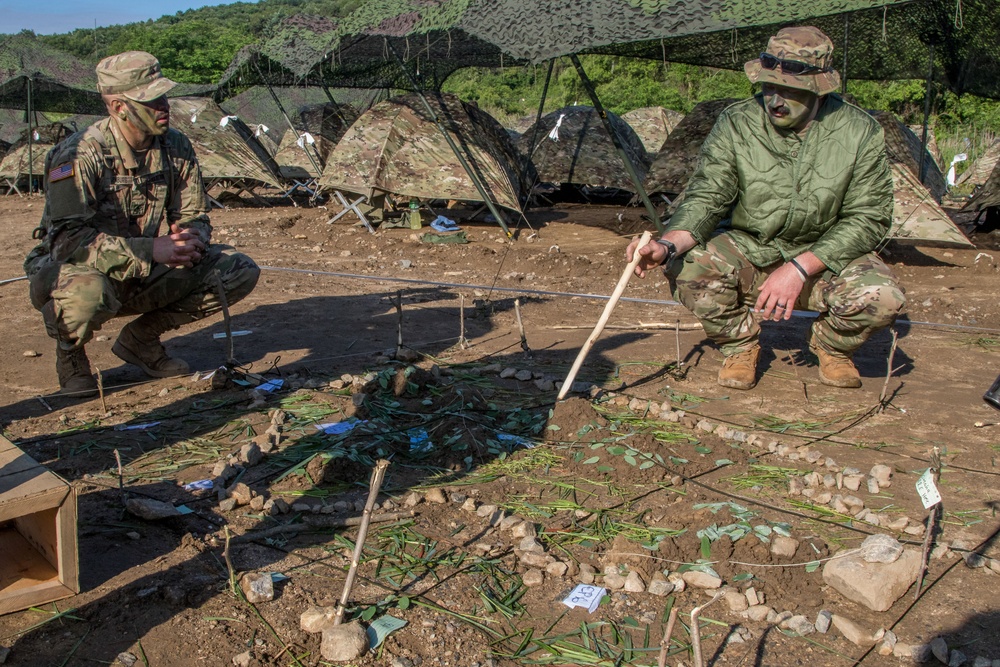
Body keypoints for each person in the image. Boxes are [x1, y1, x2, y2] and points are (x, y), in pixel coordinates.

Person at [627, 26, 905, 390]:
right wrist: (665, 246)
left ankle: (831, 346)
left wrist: (800, 268)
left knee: (881, 297)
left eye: (790, 91)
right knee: (689, 265)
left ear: (819, 89)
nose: (776, 100)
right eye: (769, 87)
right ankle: (740, 345)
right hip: (750, 247)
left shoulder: (858, 132)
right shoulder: (737, 123)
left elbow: (870, 217)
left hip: (824, 255)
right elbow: (708, 196)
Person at [24, 51, 260, 396]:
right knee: (87, 292)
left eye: (163, 96)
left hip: (145, 266)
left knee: (236, 269)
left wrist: (190, 238)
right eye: (151, 100)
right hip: (74, 271)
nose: (164, 105)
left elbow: (194, 213)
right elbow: (66, 242)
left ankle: (141, 340)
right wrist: (153, 248)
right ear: (119, 107)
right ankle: (71, 355)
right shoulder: (80, 154)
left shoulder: (175, 146)